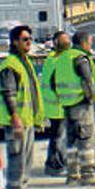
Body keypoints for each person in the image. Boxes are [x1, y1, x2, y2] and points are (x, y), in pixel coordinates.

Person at [0, 25, 45, 189]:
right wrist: (15, 118)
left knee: (27, 158)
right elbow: (9, 93)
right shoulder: (10, 65)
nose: (29, 42)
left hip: (27, 119)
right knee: (16, 157)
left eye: (30, 39)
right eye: (24, 39)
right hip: (17, 120)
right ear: (14, 42)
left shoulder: (24, 62)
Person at [56, 30, 95, 185]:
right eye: (90, 43)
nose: (90, 46)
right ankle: (88, 175)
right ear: (83, 43)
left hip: (67, 105)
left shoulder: (62, 58)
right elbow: (87, 81)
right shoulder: (80, 58)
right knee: (86, 140)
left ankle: (72, 175)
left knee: (71, 142)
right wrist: (91, 98)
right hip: (81, 105)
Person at [40, 31, 70, 176]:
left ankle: (51, 164)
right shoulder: (58, 61)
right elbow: (58, 84)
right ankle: (57, 166)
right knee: (59, 138)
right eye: (66, 41)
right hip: (58, 105)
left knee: (55, 137)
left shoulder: (51, 58)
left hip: (53, 106)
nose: (68, 43)